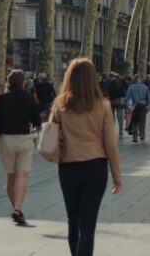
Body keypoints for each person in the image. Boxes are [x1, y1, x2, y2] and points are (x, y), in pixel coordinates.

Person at [50, 58, 121, 256]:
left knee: (73, 222)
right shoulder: (103, 106)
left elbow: (51, 134)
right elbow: (110, 144)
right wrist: (117, 175)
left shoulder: (59, 105)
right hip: (96, 167)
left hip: (68, 166)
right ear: (93, 79)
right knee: (88, 225)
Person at [0, 70, 42, 226]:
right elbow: (37, 120)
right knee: (22, 175)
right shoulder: (28, 97)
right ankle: (18, 208)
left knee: (11, 176)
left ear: (8, 82)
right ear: (23, 83)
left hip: (6, 140)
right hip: (24, 139)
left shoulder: (1, 98)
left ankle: (16, 208)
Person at [124, 77, 150, 144]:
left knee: (134, 122)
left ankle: (135, 137)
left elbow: (127, 97)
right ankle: (142, 134)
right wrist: (149, 105)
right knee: (142, 121)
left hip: (134, 106)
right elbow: (148, 97)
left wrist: (127, 106)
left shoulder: (131, 87)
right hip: (142, 106)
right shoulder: (145, 87)